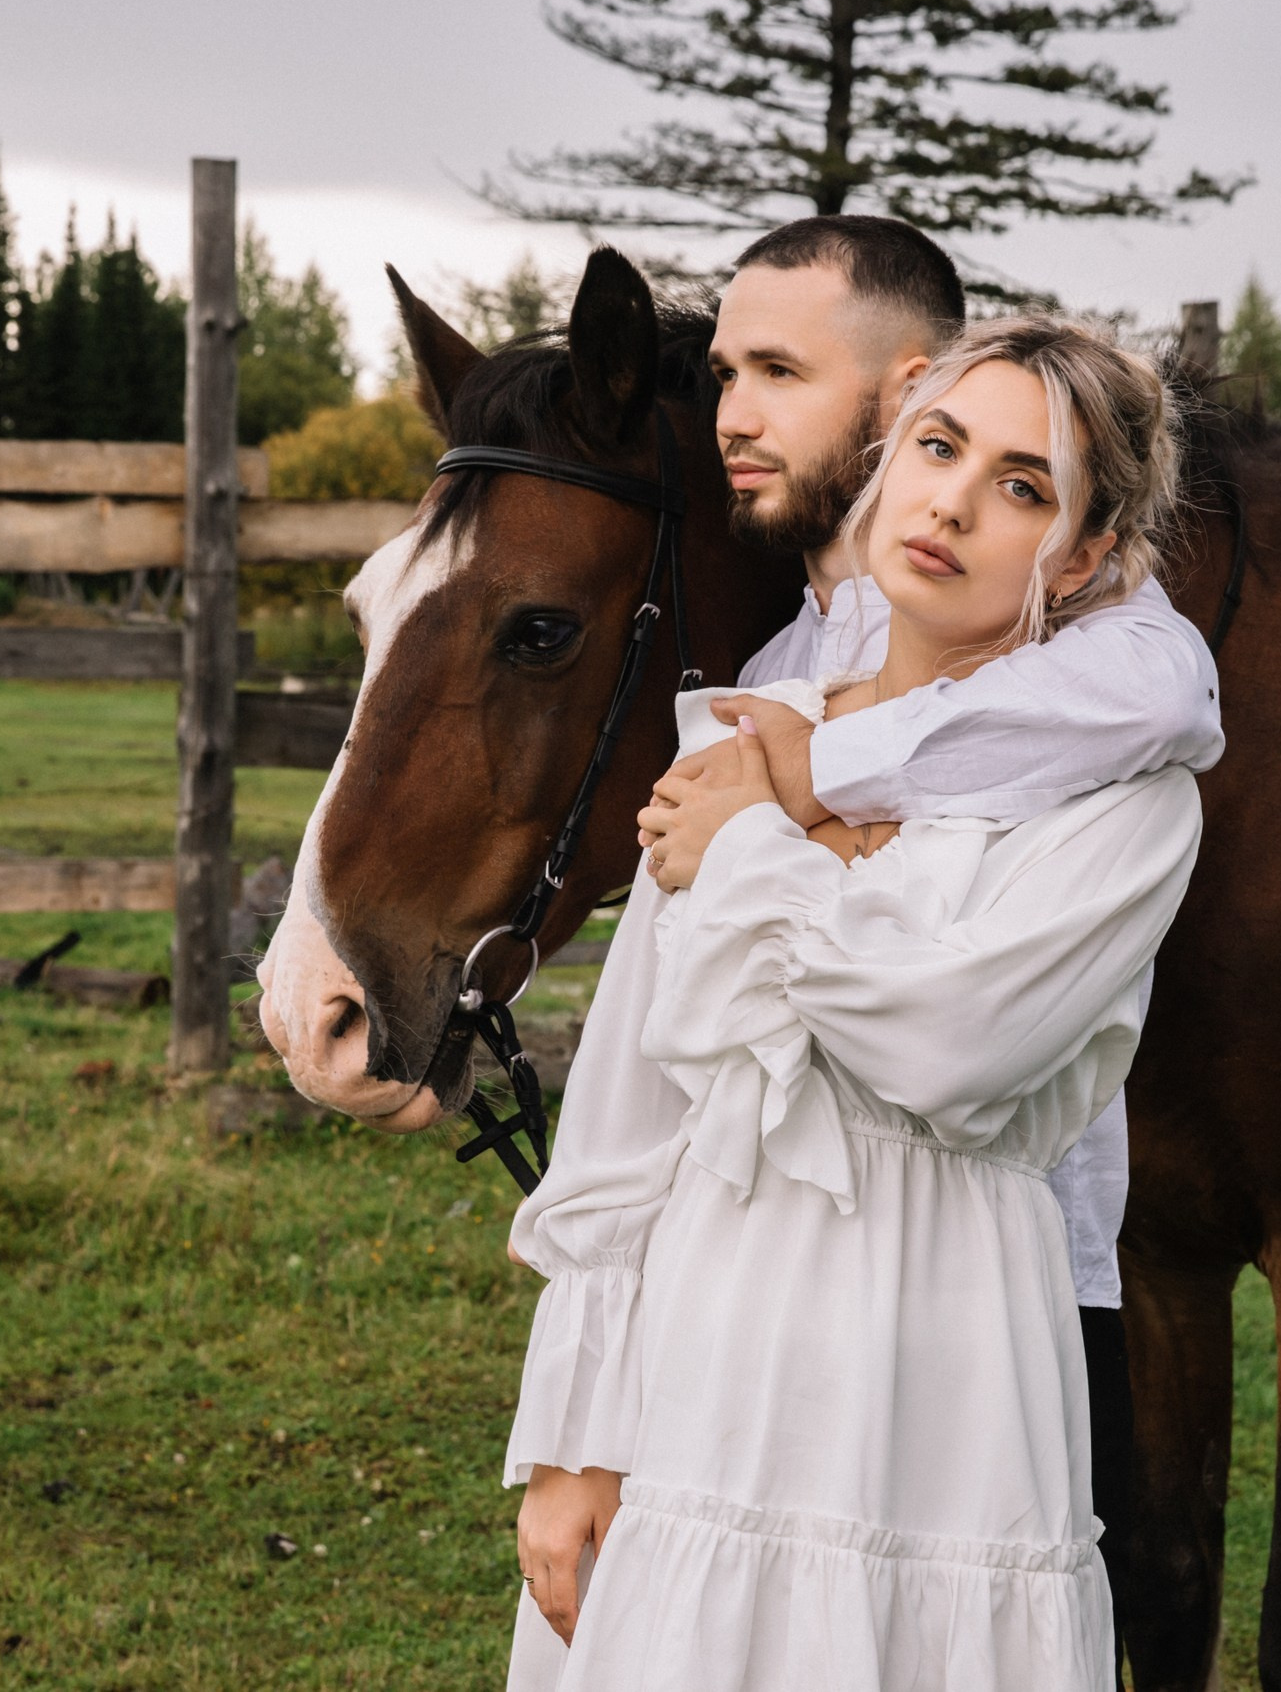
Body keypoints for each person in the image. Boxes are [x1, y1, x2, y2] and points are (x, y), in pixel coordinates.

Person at [514, 216, 1224, 1660]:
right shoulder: (741, 721)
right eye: (941, 449)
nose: (954, 503)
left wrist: (766, 843)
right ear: (892, 453)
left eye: (1023, 486)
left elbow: (948, 1047)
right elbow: (631, 1109)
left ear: (1087, 553)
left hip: (956, 1365)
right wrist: (576, 1436)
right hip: (712, 1346)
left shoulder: (1127, 794)